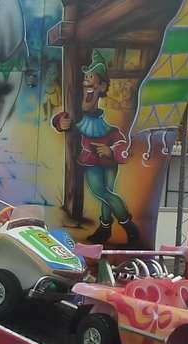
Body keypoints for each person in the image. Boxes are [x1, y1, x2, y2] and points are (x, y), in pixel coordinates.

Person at [52, 52, 140, 246]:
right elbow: (63, 119)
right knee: (102, 191)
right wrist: (60, 122)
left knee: (105, 192)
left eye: (92, 83)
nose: (87, 88)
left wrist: (111, 151)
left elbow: (121, 140)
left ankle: (110, 228)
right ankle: (125, 226)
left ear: (102, 87)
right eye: (85, 84)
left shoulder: (110, 118)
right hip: (91, 159)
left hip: (108, 158)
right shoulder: (77, 113)